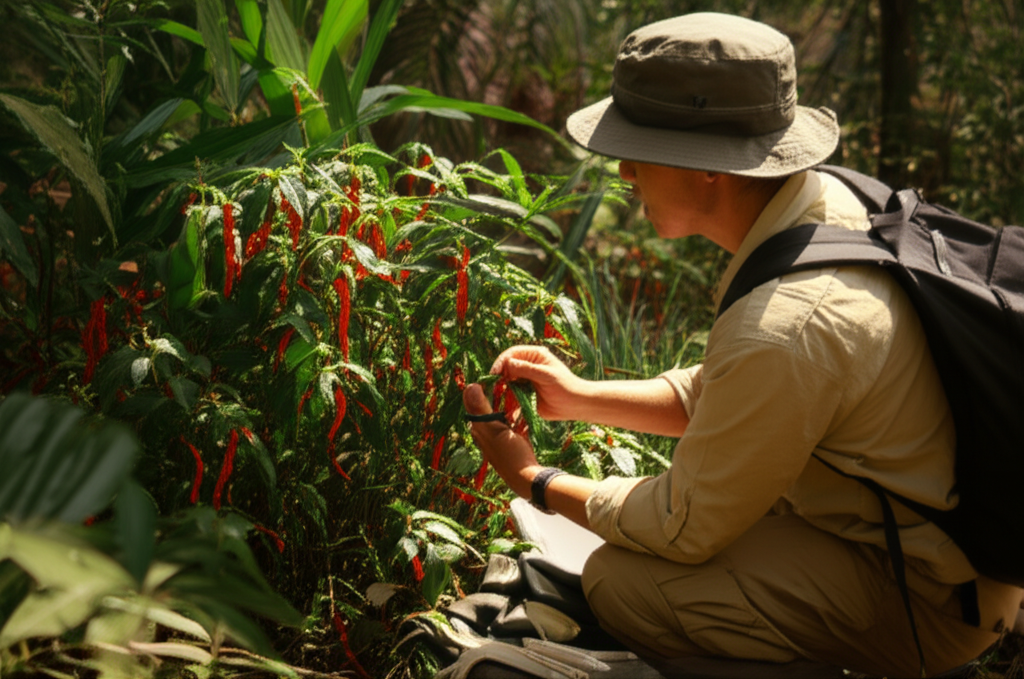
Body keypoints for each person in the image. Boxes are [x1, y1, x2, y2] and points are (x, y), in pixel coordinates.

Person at [461, 11, 1022, 678]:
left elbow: (684, 522)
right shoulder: (825, 204)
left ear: (709, 168)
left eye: (637, 149)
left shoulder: (788, 320)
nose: (624, 172)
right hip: (929, 551)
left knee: (623, 584)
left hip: (926, 599)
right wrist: (579, 398)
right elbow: (740, 391)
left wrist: (533, 479)